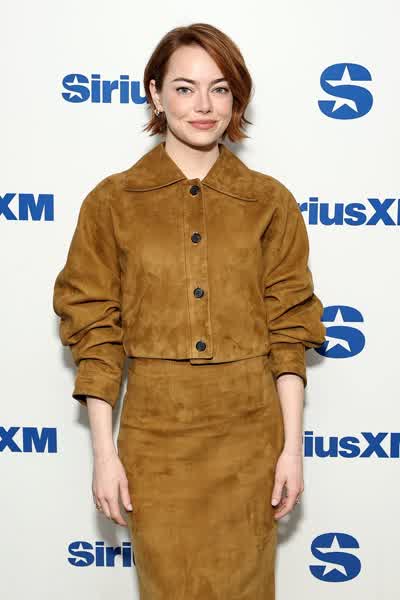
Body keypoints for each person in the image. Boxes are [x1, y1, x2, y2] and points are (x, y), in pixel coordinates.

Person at [53, 22, 326, 600]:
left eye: (219, 89)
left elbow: (289, 332)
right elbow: (95, 333)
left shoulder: (269, 201)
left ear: (237, 99)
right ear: (156, 94)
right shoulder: (112, 202)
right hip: (155, 439)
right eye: (185, 88)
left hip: (250, 437)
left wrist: (292, 451)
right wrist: (104, 455)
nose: (203, 105)